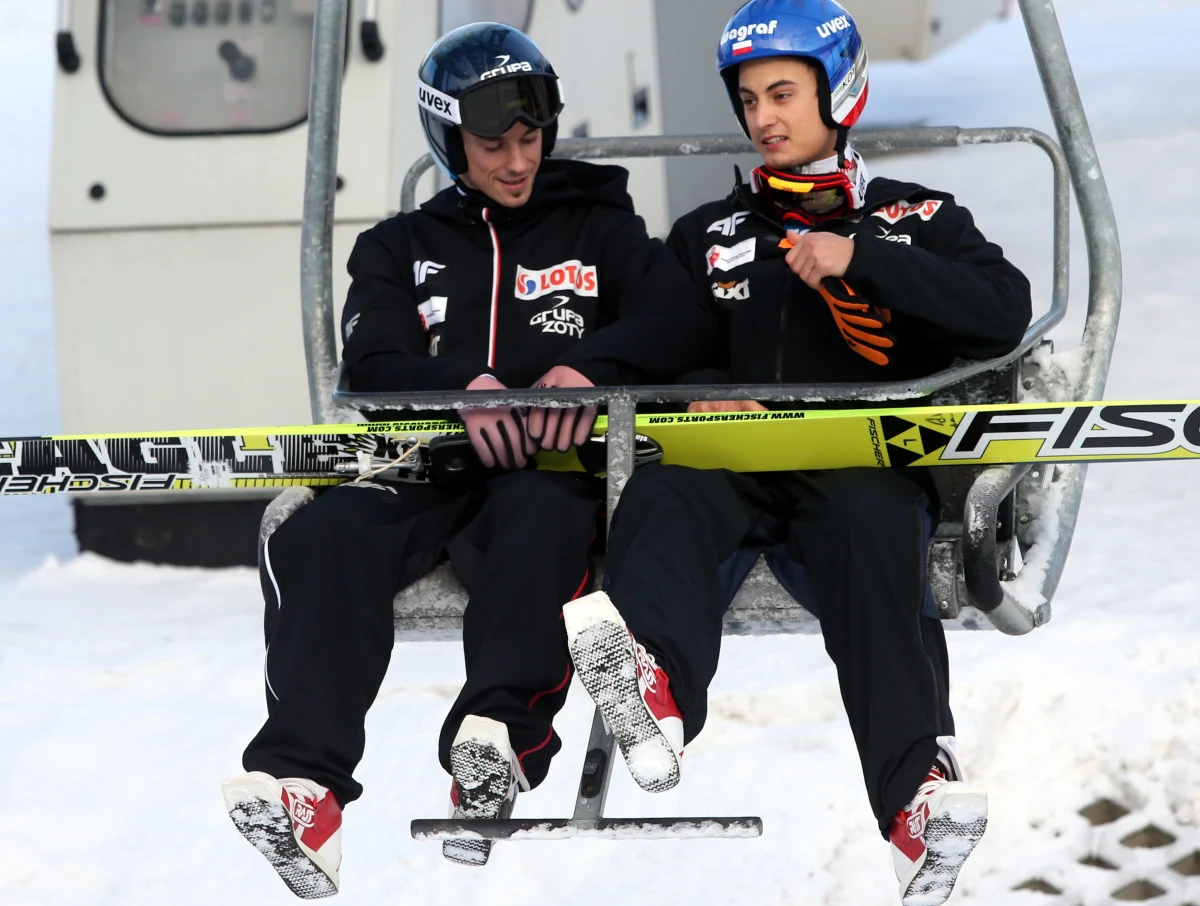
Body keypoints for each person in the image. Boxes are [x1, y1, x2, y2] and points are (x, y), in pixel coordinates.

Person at [219, 21, 715, 897]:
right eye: (493, 146)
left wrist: (591, 371)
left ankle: (496, 738)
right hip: (428, 468)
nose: (518, 162)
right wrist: (462, 388)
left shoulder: (600, 228)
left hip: (545, 473)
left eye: (531, 139)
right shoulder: (398, 248)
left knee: (540, 519)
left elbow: (681, 321)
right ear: (448, 141)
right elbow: (370, 361)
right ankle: (305, 788)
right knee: (322, 535)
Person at [560, 2, 1033, 904]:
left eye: (782, 93)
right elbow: (664, 338)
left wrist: (863, 260)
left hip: (856, 469)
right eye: (748, 100)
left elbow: (1000, 310)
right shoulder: (709, 233)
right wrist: (701, 386)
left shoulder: (915, 216)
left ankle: (915, 800)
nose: (763, 118)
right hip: (731, 462)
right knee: (662, 497)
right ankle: (654, 698)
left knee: (874, 529)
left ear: (838, 91)